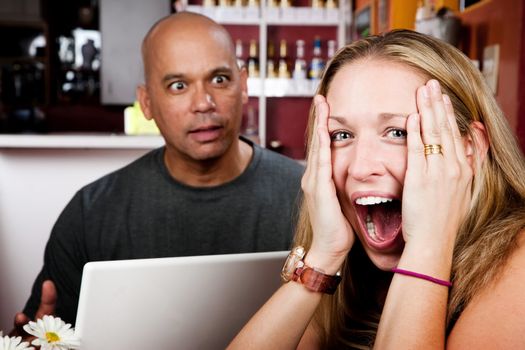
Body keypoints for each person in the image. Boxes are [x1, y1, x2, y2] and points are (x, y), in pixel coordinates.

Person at [229, 29, 525, 348]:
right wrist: (323, 258)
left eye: (397, 132)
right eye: (341, 135)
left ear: (470, 148)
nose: (360, 167)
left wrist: (428, 242)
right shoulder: (352, 265)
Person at [12, 12, 303, 331]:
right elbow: (42, 330)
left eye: (219, 79)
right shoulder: (90, 214)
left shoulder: (307, 199)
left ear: (243, 85)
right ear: (147, 102)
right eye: (179, 85)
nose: (204, 103)